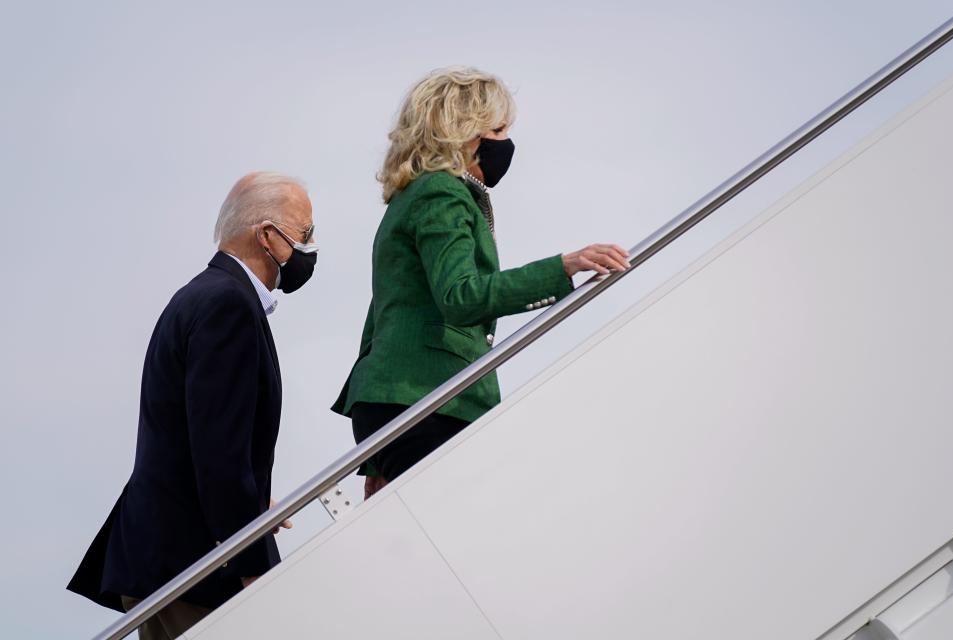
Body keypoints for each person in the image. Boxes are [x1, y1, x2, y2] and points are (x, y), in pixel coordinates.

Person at [332, 67, 630, 499]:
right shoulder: (441, 192)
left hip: (401, 398)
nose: (505, 141)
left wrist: (379, 451)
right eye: (498, 128)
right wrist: (563, 266)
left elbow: (390, 312)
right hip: (429, 398)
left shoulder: (412, 196)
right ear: (463, 132)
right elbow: (461, 296)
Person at [68, 172, 316, 639]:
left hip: (166, 559)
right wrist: (252, 562)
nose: (310, 247)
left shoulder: (202, 296)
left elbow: (197, 433)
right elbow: (220, 453)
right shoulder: (228, 305)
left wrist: (254, 500)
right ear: (267, 237)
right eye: (304, 234)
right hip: (194, 567)